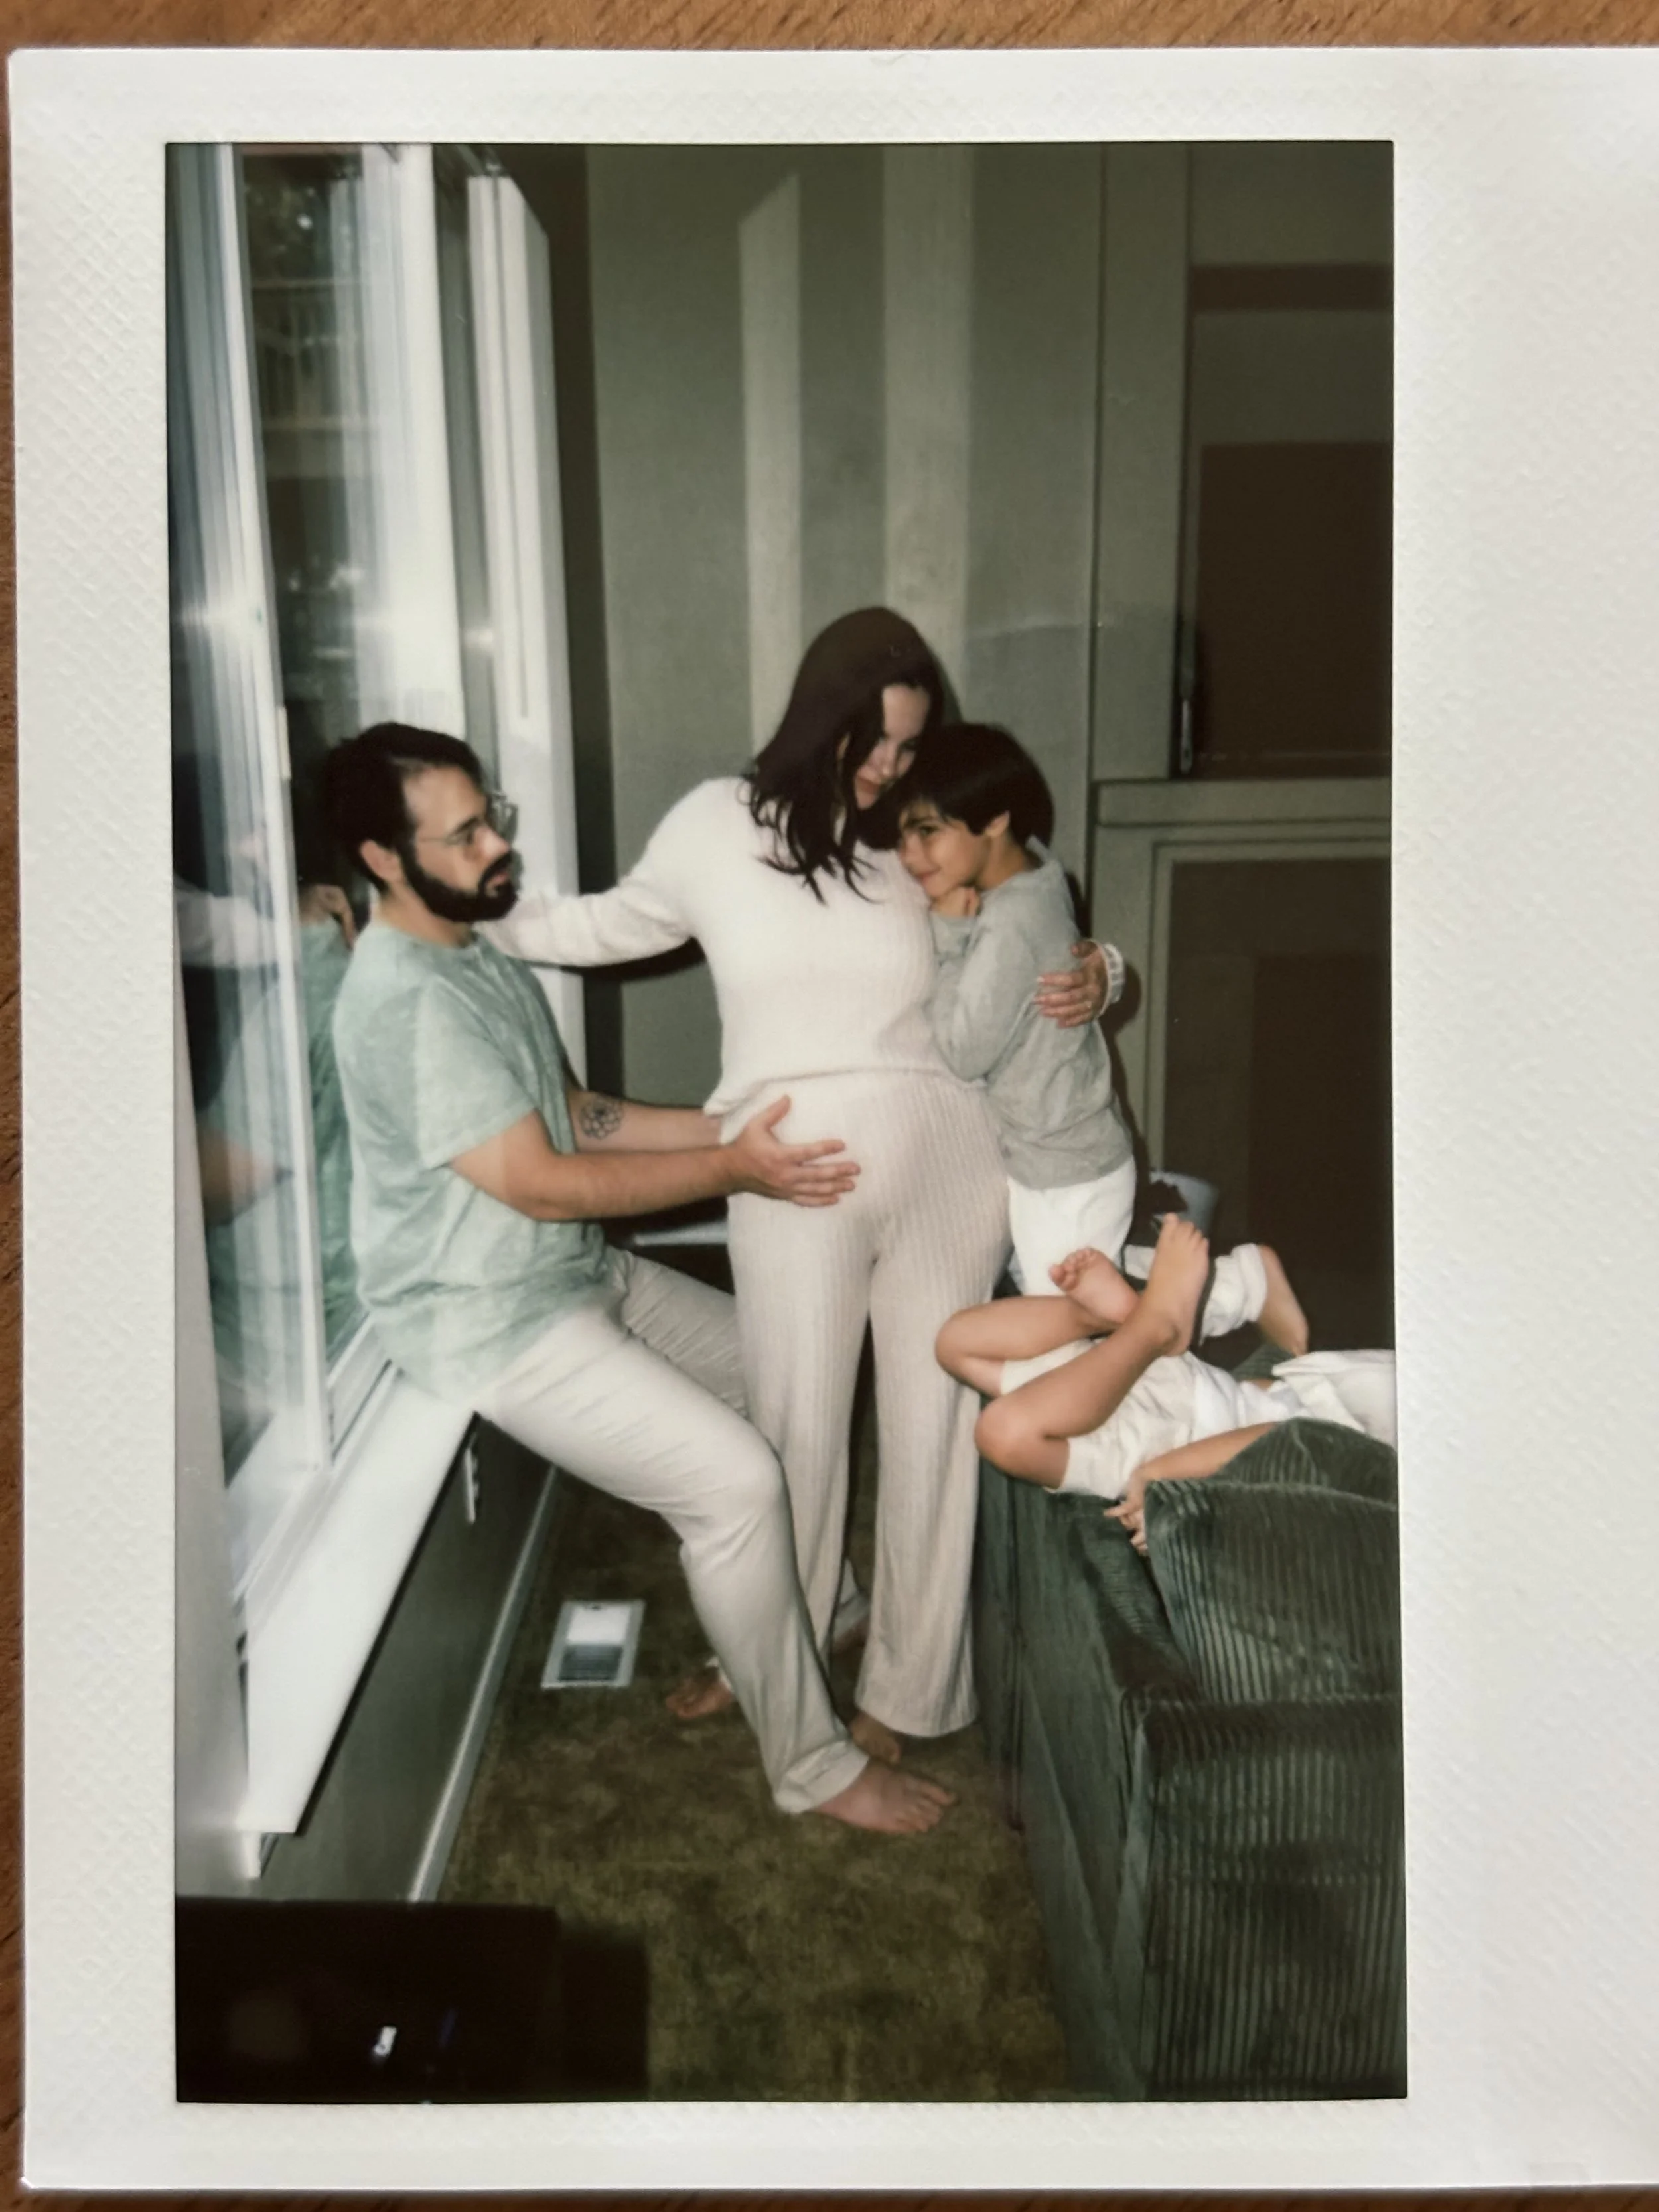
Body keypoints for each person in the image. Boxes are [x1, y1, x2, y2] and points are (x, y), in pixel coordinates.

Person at [484, 608, 1112, 1766]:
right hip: (786, 1167)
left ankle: (916, 1688)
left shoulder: (919, 837)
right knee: (793, 1425)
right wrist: (461, 914)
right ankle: (779, 1643)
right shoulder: (714, 825)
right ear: (818, 714)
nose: (885, 768)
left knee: (933, 1428)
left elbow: (1037, 895)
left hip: (950, 1154)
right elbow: (599, 924)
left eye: (908, 747)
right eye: (868, 740)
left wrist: (1102, 970)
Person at [325, 722, 954, 1836]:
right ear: (383, 856)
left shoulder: (470, 950)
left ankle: (821, 1610)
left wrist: (731, 1123)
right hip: (494, 1320)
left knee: (783, 1381)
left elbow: (575, 1114)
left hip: (574, 1274)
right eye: (463, 833)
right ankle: (813, 1764)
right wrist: (730, 1167)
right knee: (737, 1483)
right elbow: (543, 1179)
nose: (493, 847)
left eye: (491, 817)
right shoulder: (404, 1002)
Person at [895, 721, 1307, 1350]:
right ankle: (1233, 1282)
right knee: (1085, 1291)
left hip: (1060, 1167)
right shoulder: (1039, 874)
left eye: (927, 832)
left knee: (1070, 1327)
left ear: (995, 819)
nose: (910, 854)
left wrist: (948, 936)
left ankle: (1237, 1292)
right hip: (1076, 1153)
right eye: (904, 834)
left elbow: (961, 1050)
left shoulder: (1007, 924)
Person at [936, 1222, 1395, 1548]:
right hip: (1172, 1427)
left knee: (956, 1344)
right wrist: (1157, 1476)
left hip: (1148, 1394)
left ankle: (1106, 1317)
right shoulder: (1391, 1455)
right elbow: (1289, 1441)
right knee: (1004, 1433)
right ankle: (1154, 1325)